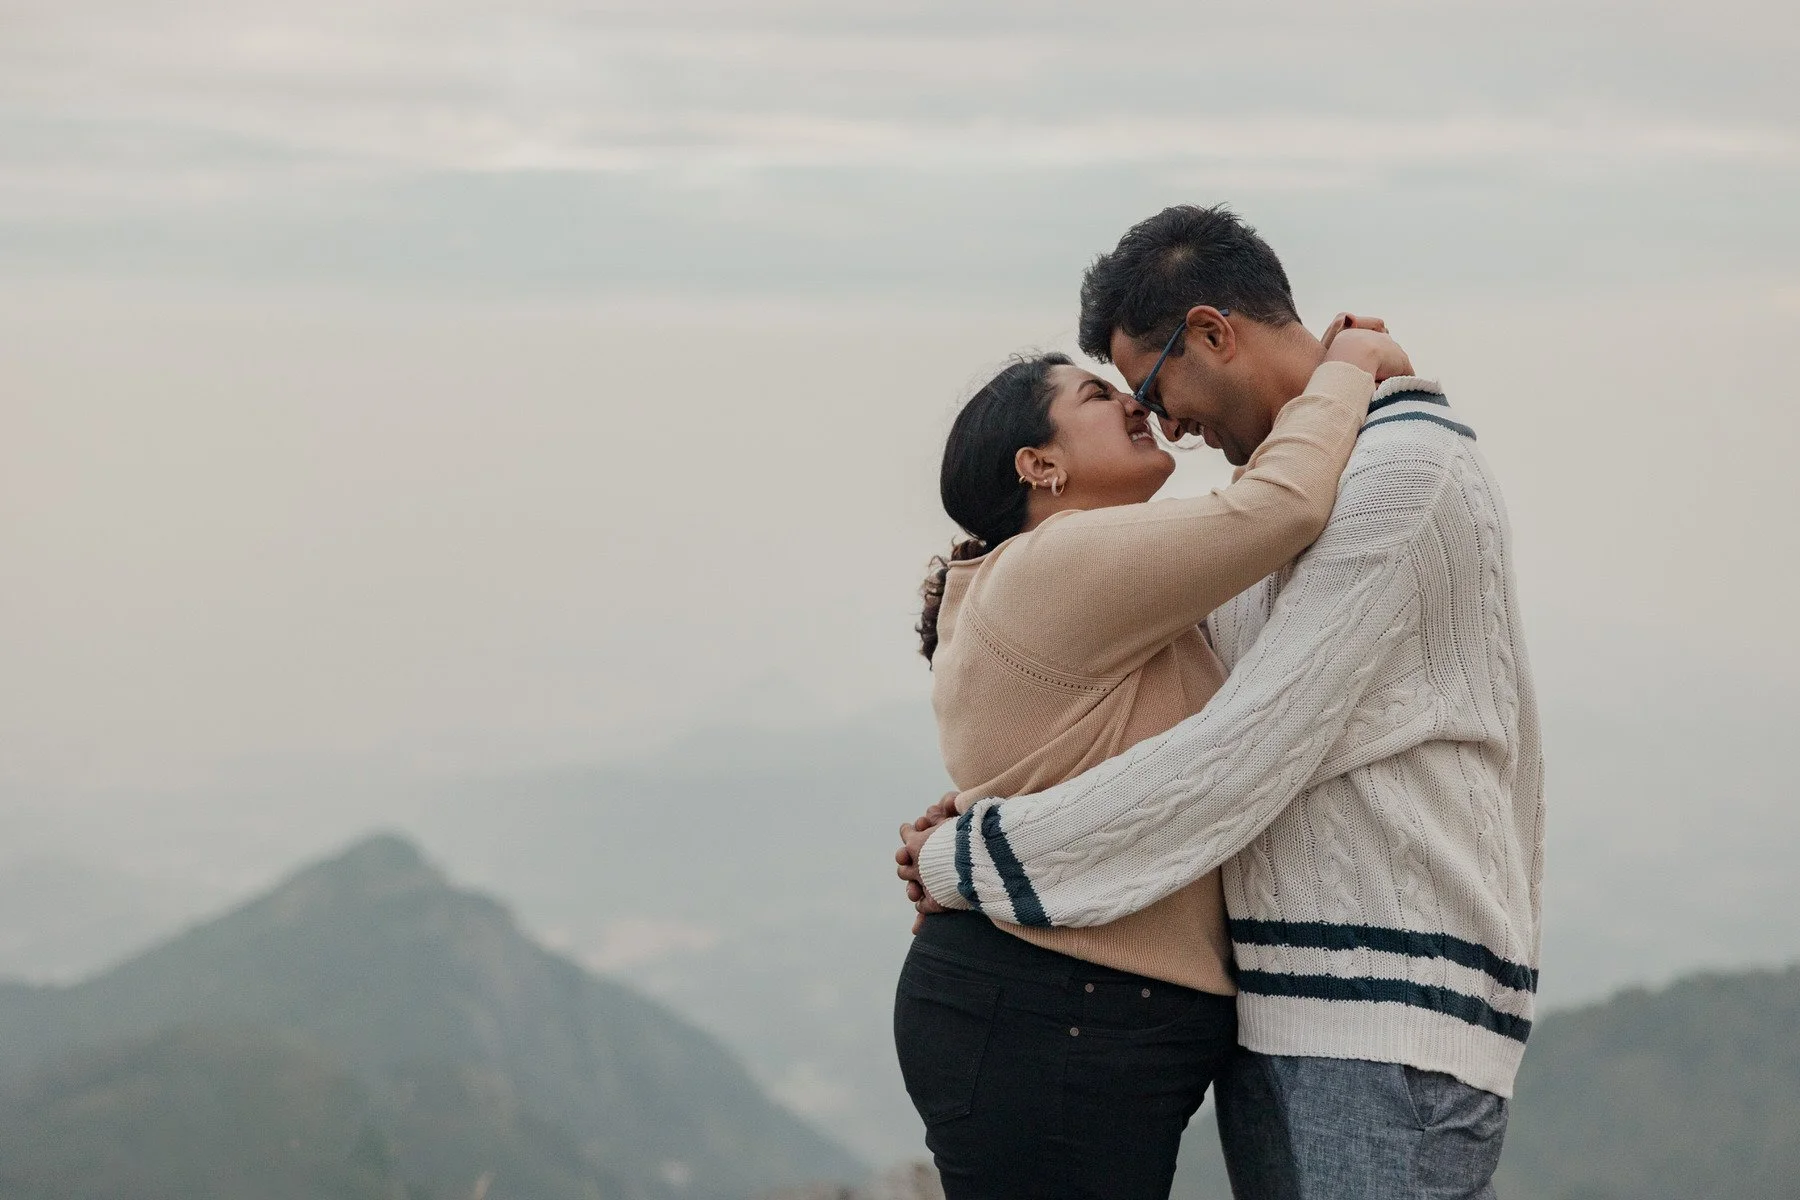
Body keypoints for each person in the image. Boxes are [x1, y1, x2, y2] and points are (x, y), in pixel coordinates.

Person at [898, 205, 1543, 1200]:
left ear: (1213, 333)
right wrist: (990, 825)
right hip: (1282, 1007)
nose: (1158, 423)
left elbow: (1244, 752)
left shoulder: (1396, 468)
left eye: (1148, 387)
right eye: (1113, 398)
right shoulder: (1254, 513)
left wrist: (971, 854)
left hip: (1379, 1015)